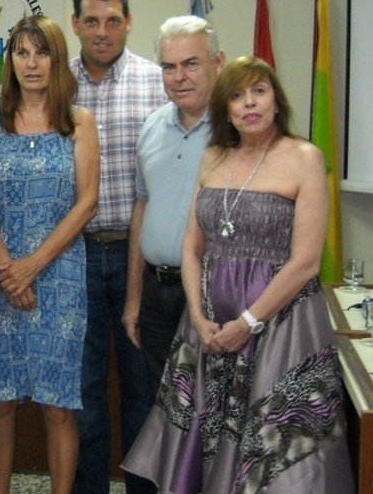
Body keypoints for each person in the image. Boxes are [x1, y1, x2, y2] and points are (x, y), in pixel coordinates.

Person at [122, 55, 354, 492]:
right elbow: (192, 246)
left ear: (276, 100)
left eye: (258, 92)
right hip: (210, 325)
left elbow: (306, 262)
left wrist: (248, 323)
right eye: (236, 95)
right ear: (225, 110)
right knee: (202, 442)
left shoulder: (304, 157)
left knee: (270, 445)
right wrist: (197, 316)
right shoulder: (213, 156)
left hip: (280, 325)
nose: (249, 103)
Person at [0, 15, 99, 494]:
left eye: (41, 52)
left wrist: (33, 266)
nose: (31, 63)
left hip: (59, 277)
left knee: (58, 404)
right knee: (0, 400)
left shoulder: (79, 122)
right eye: (21, 52)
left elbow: (87, 203)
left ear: (57, 59)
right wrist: (8, 269)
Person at [68, 0, 166, 494]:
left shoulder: (157, 82)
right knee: (83, 391)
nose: (102, 31)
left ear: (129, 22)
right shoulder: (55, 87)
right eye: (91, 21)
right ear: (75, 25)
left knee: (141, 389)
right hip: (74, 255)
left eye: (112, 20)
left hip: (139, 258)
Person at [122, 16, 224, 399]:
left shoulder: (236, 131)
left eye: (191, 63)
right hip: (157, 293)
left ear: (218, 62)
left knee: (210, 405)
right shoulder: (152, 127)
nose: (179, 77)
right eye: (169, 66)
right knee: (161, 406)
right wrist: (134, 297)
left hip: (215, 293)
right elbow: (142, 210)